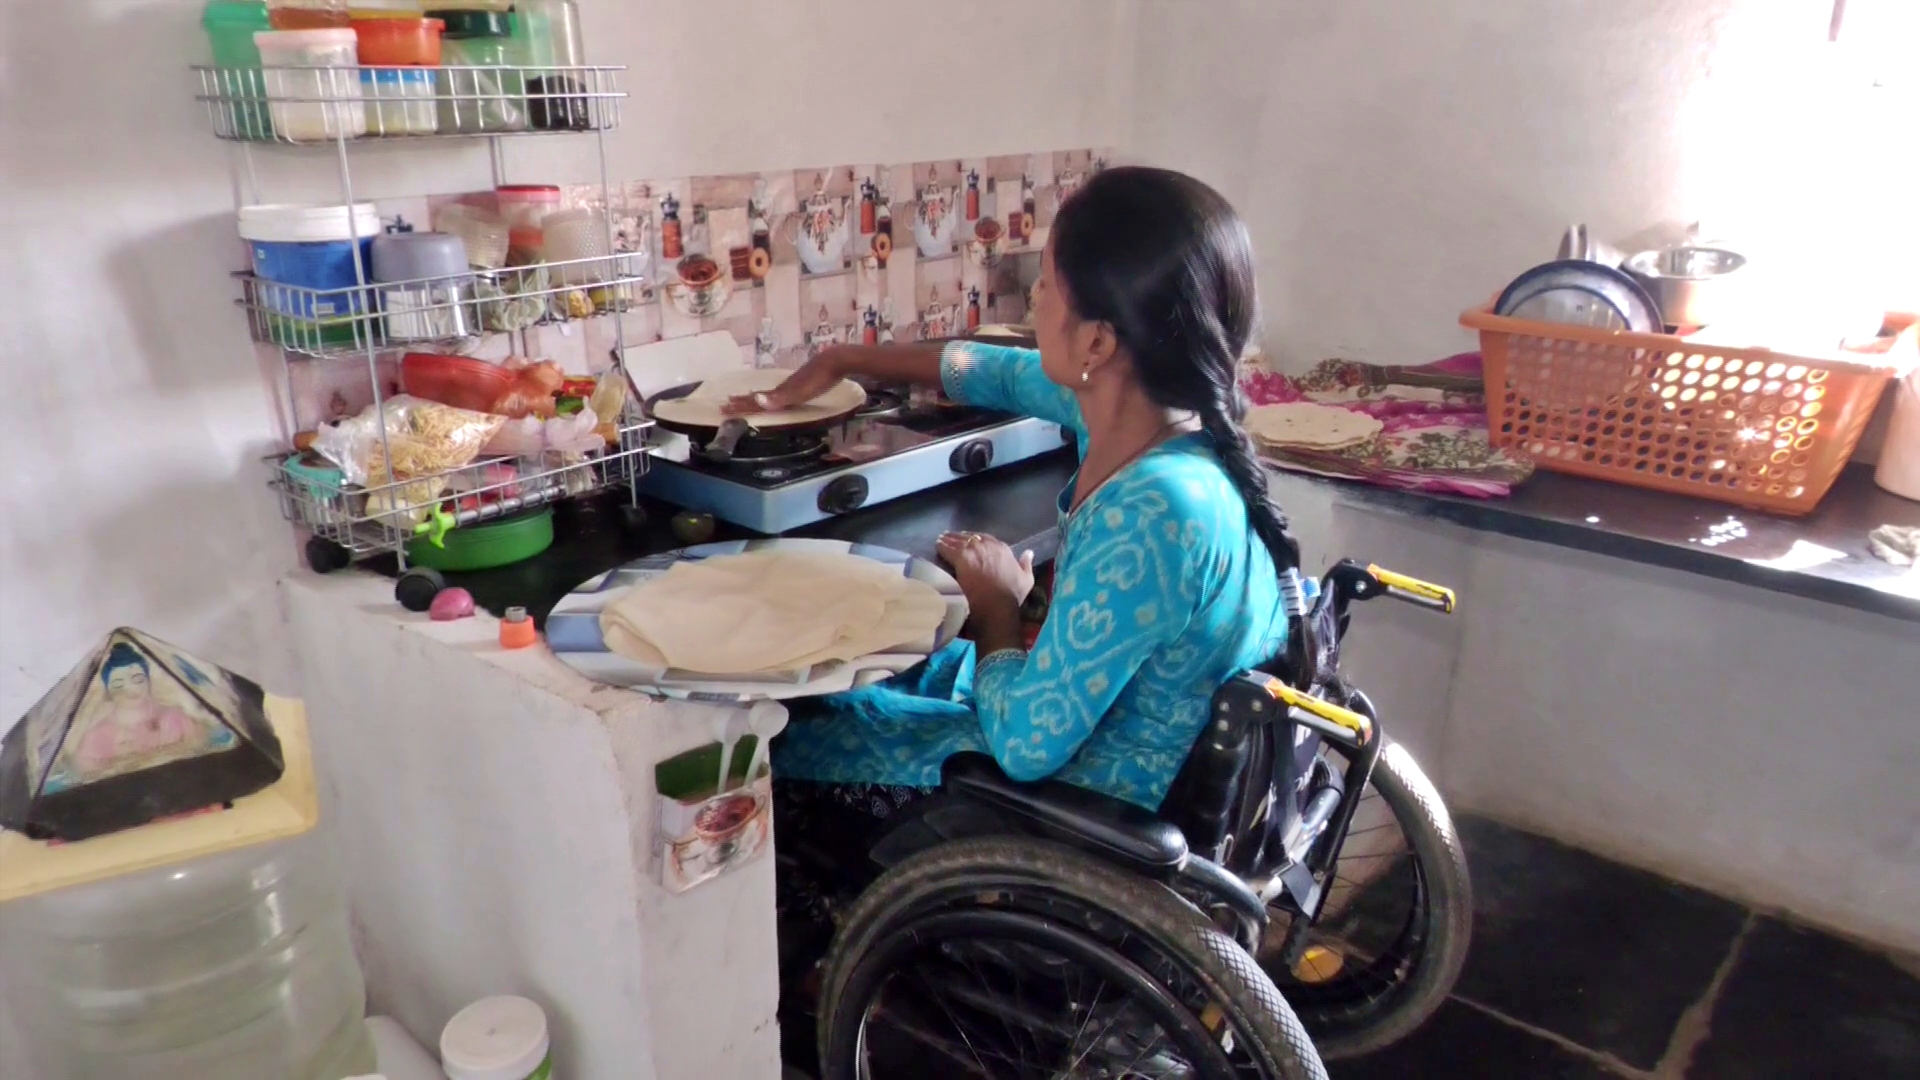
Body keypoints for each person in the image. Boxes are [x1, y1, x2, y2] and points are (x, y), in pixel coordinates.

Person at [734, 166, 1301, 834]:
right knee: (893, 671)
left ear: (1097, 342)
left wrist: (998, 606)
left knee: (787, 744)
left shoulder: (1150, 511)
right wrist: (844, 359)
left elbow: (1026, 750)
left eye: (1048, 285)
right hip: (1104, 737)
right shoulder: (1156, 413)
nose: (1034, 298)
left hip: (1084, 804)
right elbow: (992, 370)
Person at [67, 644, 210, 783]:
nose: (131, 688)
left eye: (138, 679)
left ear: (148, 681)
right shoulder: (99, 735)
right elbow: (87, 774)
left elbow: (200, 744)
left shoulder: (173, 718)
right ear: (108, 691)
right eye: (118, 684)